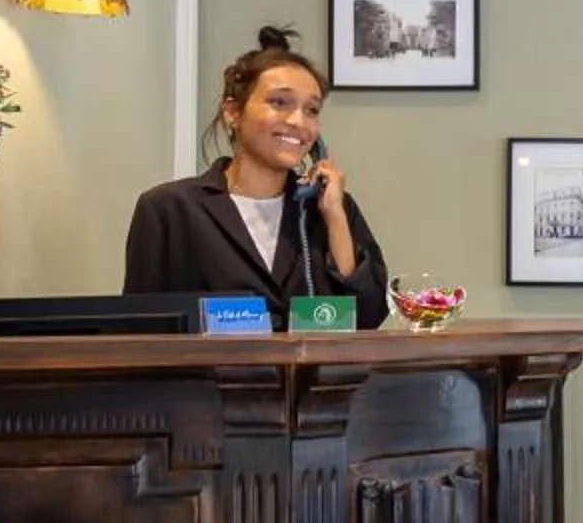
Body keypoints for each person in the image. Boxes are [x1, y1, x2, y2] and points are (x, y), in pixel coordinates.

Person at [124, 26, 392, 327]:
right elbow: (141, 333)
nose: (298, 122)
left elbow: (367, 318)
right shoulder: (169, 210)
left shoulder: (330, 207)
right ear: (233, 112)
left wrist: (335, 219)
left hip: (314, 374)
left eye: (312, 110)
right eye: (280, 103)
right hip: (216, 374)